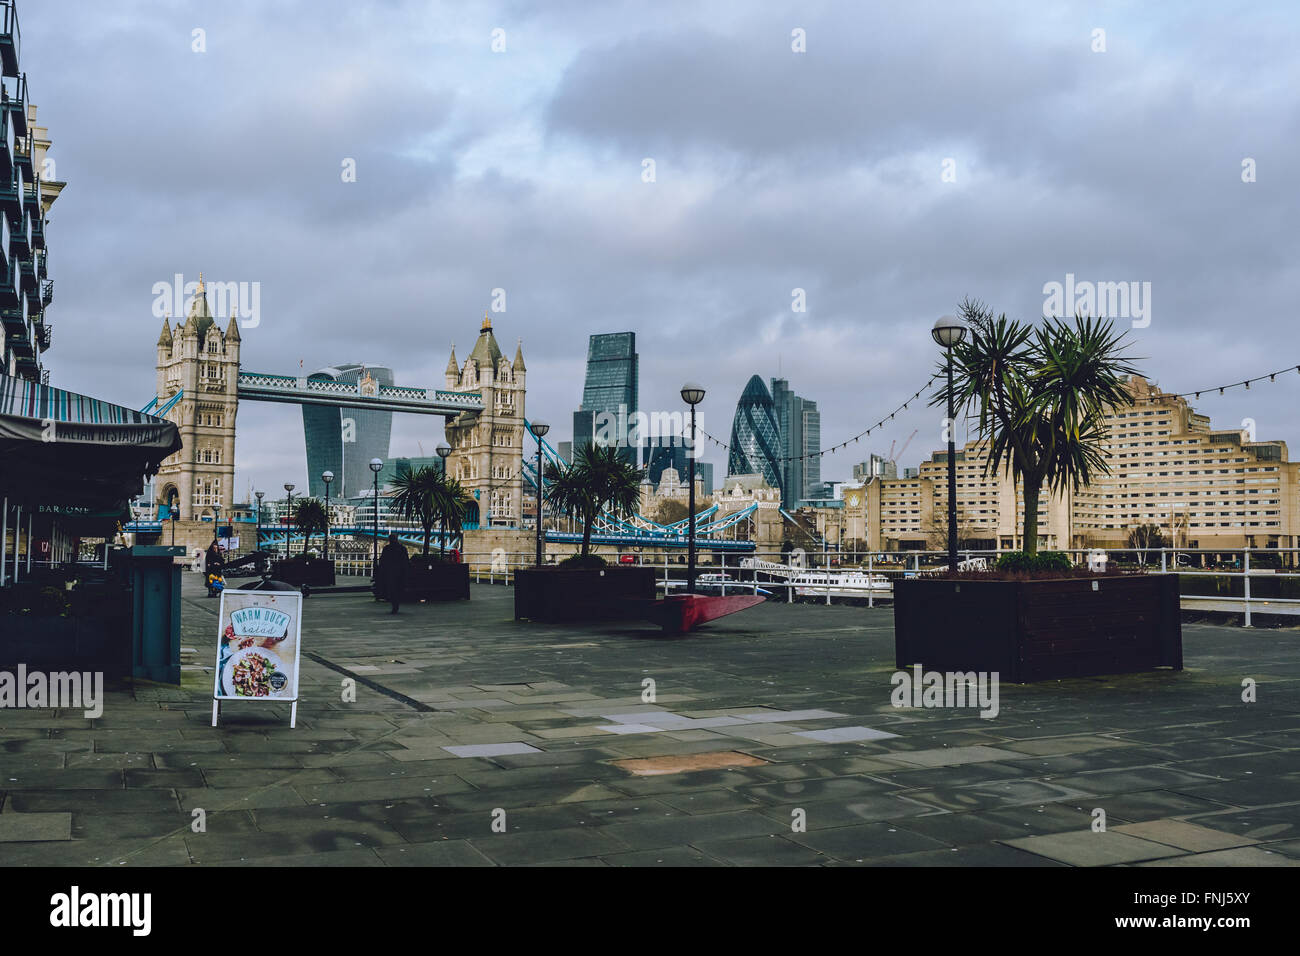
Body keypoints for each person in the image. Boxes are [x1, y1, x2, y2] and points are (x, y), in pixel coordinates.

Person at [376, 533, 409, 614]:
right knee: (397, 589)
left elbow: (382, 561)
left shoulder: (387, 549)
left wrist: (381, 570)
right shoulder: (402, 549)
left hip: (390, 573)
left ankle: (395, 605)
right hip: (400, 573)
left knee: (392, 590)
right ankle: (396, 604)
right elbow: (406, 561)